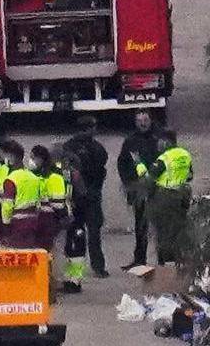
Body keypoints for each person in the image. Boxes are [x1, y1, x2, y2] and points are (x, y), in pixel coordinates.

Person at [60, 116, 111, 278]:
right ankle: (97, 267)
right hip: (90, 195)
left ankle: (75, 268)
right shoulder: (96, 148)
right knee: (93, 233)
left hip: (77, 196)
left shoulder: (68, 147)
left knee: (77, 232)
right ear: (89, 129)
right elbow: (101, 170)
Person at [118, 110, 163, 268]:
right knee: (141, 226)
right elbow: (122, 163)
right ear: (135, 123)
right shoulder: (130, 141)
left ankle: (164, 261)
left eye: (145, 120)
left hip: (158, 189)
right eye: (139, 121)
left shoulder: (159, 139)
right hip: (139, 190)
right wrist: (128, 183)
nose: (143, 123)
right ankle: (139, 260)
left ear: (151, 121)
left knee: (161, 227)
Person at [146, 131, 194, 264]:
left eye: (160, 141)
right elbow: (190, 176)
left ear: (167, 142)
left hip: (165, 198)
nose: (158, 144)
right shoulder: (184, 154)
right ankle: (179, 262)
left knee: (164, 233)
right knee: (179, 231)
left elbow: (150, 178)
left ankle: (166, 265)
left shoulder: (164, 158)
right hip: (183, 196)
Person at [32, 146, 73, 290]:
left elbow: (58, 203)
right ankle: (47, 280)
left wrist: (64, 219)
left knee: (54, 251)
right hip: (43, 218)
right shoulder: (39, 175)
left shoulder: (54, 177)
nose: (32, 161)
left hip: (52, 219)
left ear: (41, 158)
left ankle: (56, 281)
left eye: (33, 157)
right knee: (47, 251)